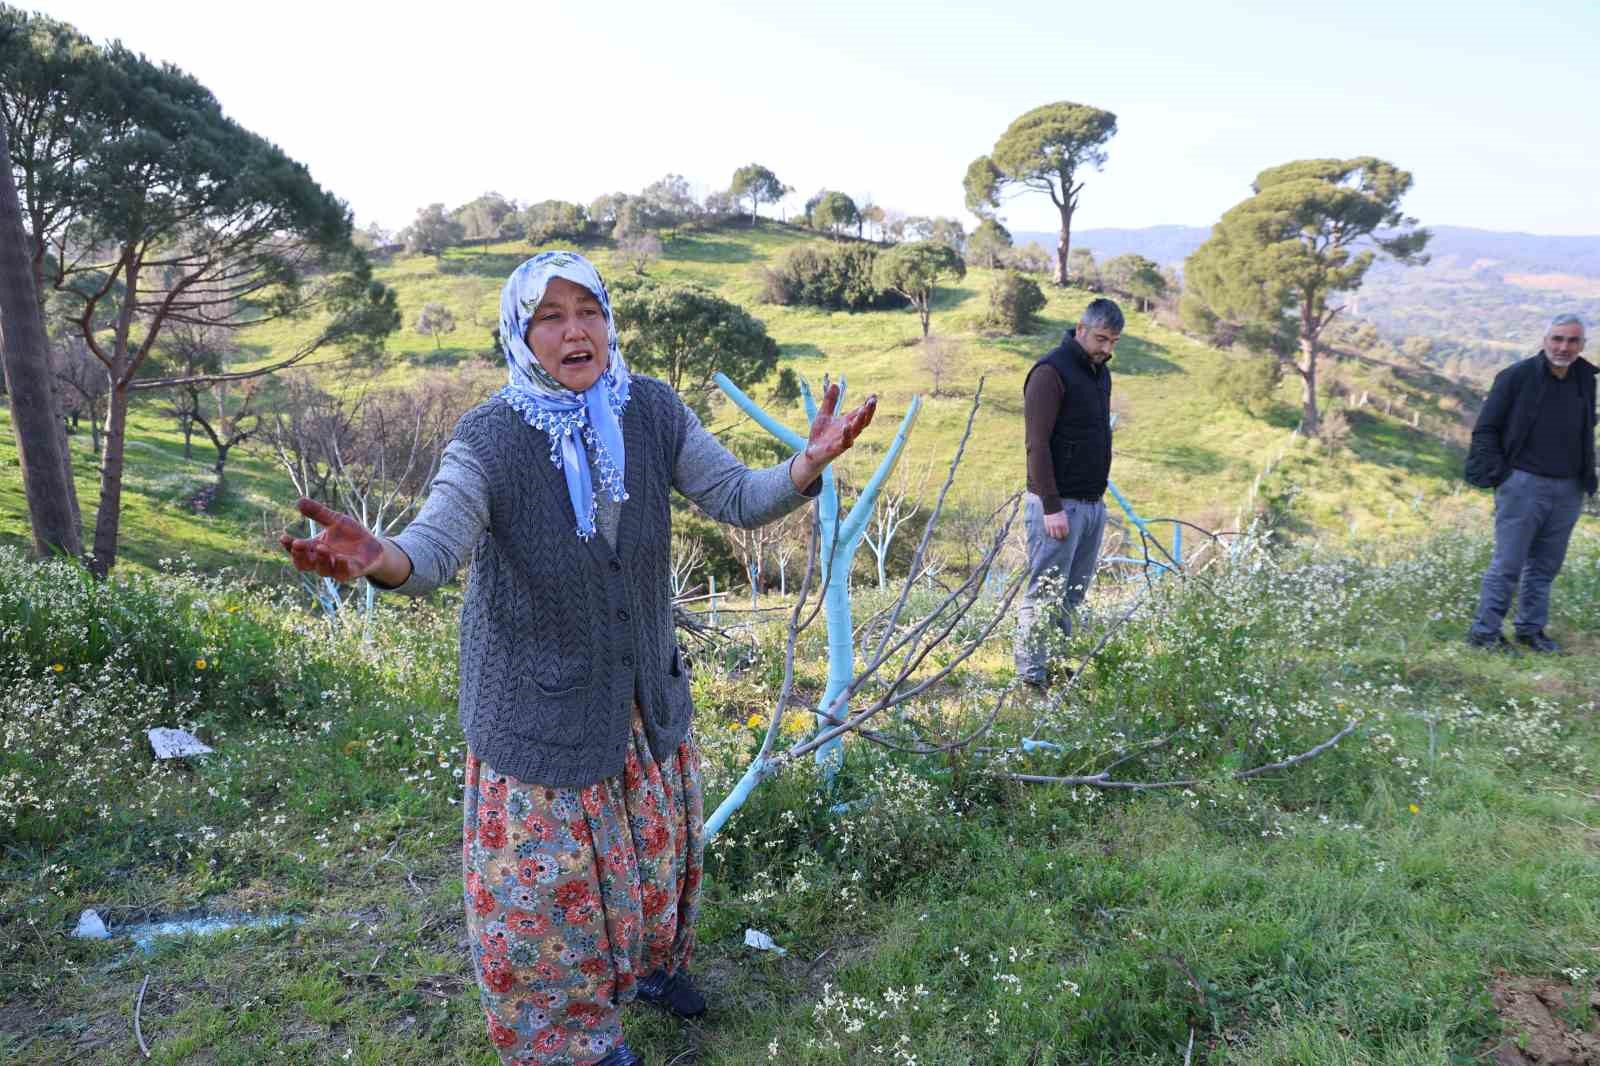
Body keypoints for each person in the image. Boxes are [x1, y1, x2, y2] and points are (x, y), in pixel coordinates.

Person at [280, 251, 876, 1066]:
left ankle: (648, 972)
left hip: (637, 701)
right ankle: (573, 1043)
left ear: (609, 321)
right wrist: (380, 556)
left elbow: (736, 495)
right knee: (549, 904)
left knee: (654, 863)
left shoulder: (650, 411)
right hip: (540, 715)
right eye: (550, 317)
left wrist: (806, 464)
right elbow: (436, 544)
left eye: (588, 310)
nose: (575, 331)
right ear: (522, 336)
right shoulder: (490, 437)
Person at [1464, 313, 1596, 653]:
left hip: (1569, 488)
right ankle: (1485, 634)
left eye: (1572, 341)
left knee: (1545, 567)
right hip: (1523, 484)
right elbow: (1486, 430)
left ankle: (1530, 631)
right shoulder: (1516, 377)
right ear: (1545, 340)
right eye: (1558, 339)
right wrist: (1503, 477)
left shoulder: (1585, 378)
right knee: (1508, 564)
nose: (1564, 347)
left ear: (1583, 345)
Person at [1014, 298, 1123, 688]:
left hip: (1092, 506)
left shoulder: (1099, 374)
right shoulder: (1049, 372)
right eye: (1101, 339)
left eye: (1113, 342)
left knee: (1073, 594)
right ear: (1080, 329)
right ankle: (1031, 678)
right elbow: (1036, 445)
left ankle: (1056, 671)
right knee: (1044, 593)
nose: (1107, 349)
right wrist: (1051, 506)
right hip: (1058, 507)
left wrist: (1098, 503)